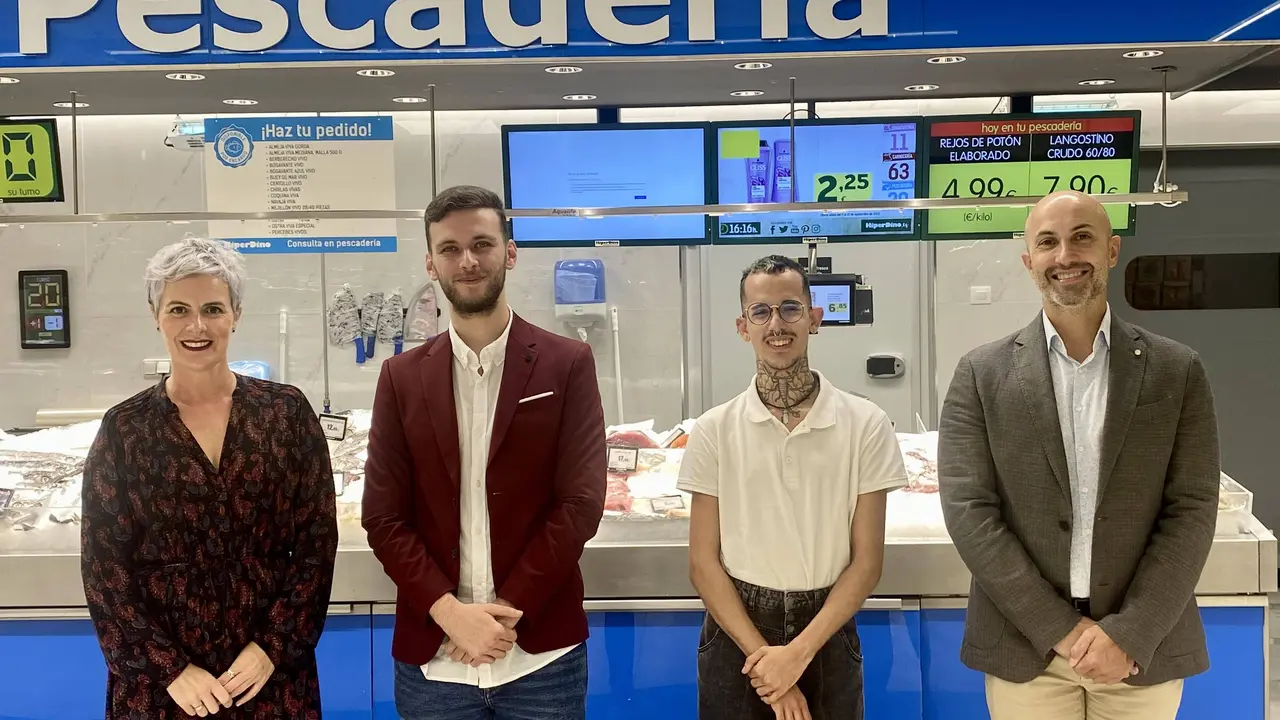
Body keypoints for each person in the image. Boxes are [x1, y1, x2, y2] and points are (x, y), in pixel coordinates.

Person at [937, 191, 1221, 720]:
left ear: (1112, 251)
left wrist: (1130, 633)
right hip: (1028, 650)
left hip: (1140, 651)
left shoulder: (1176, 370)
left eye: (1082, 238)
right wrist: (1060, 630)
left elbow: (1193, 509)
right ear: (1029, 262)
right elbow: (970, 513)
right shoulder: (981, 373)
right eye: (1047, 242)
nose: (1065, 255)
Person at [362, 185, 606, 720]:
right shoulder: (400, 377)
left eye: (482, 244)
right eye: (449, 249)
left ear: (510, 252)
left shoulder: (566, 363)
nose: (466, 261)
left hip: (541, 657)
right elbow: (382, 517)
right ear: (431, 263)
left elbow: (581, 503)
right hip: (435, 659)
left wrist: (500, 617)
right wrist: (450, 613)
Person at [80, 238, 338, 719]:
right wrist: (171, 669)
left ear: (235, 313)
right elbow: (105, 572)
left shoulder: (285, 413)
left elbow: (316, 549)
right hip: (164, 689)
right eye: (178, 308)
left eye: (212, 308)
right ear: (155, 314)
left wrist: (272, 647)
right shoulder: (125, 429)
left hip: (268, 678)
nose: (196, 326)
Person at [676, 255, 908, 720]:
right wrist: (768, 666)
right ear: (743, 326)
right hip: (736, 630)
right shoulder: (714, 429)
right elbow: (703, 563)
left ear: (814, 319)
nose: (776, 324)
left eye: (790, 308)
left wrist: (797, 654)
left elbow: (867, 563)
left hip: (827, 628)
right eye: (761, 312)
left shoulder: (865, 424)